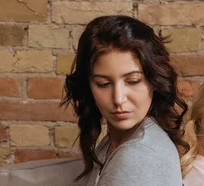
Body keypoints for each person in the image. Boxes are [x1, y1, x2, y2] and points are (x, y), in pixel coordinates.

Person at [61, 15, 188, 186]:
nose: (118, 99)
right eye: (103, 84)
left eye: (133, 81)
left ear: (154, 82)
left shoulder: (139, 156)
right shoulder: (118, 140)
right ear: (89, 86)